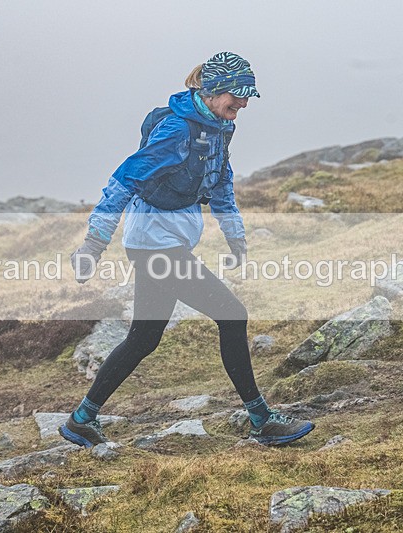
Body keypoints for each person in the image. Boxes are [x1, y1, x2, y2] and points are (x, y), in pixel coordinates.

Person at [62, 52, 314, 447]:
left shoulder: (217, 126)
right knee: (233, 316)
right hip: (155, 246)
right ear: (212, 91)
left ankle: (82, 419)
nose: (244, 103)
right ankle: (261, 418)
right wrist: (93, 245)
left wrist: (236, 237)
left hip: (163, 242)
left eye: (248, 96)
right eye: (238, 95)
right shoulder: (177, 130)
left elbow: (220, 182)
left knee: (144, 338)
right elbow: (122, 181)